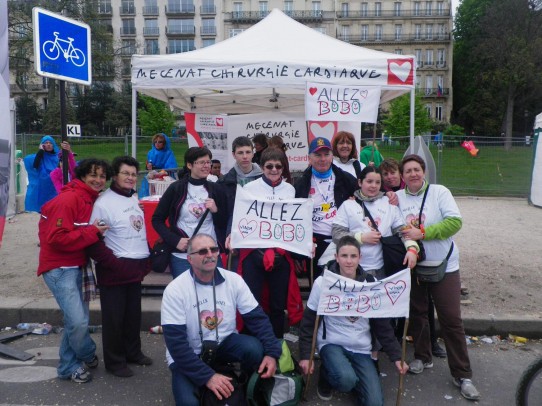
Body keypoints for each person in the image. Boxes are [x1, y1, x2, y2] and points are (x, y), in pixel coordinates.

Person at [161, 233, 282, 406]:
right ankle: (209, 381)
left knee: (254, 348)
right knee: (188, 403)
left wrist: (272, 353)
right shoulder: (175, 290)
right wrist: (208, 377)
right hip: (189, 353)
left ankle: (246, 389)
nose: (210, 254)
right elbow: (176, 346)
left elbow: (257, 319)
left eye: (214, 249)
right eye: (202, 251)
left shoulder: (234, 280)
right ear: (189, 259)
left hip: (223, 344)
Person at [397, 154, 481, 401]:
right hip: (414, 265)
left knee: (451, 319)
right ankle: (423, 357)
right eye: (408, 171)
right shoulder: (398, 199)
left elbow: (455, 223)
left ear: (424, 172)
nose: (413, 174)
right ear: (402, 177)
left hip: (445, 265)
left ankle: (462, 374)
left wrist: (422, 233)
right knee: (418, 314)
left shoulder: (439, 192)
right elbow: (395, 226)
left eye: (417, 169)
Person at [298, 236, 409, 403]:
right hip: (332, 343)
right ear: (336, 257)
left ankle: (358, 382)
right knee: (345, 380)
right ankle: (327, 375)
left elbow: (382, 326)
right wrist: (306, 355)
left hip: (361, 348)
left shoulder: (370, 284)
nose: (348, 261)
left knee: (375, 402)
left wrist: (396, 356)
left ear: (360, 258)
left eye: (353, 256)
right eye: (344, 256)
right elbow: (309, 322)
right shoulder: (323, 283)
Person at [37, 158, 112, 383]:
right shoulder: (69, 199)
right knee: (78, 322)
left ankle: (70, 364)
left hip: (78, 265)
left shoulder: (91, 198)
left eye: (102, 176)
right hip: (59, 268)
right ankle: (84, 355)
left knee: (75, 320)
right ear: (82, 176)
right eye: (93, 175)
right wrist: (92, 232)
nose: (98, 180)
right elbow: (56, 238)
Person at [87, 156, 152, 378]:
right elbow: (94, 241)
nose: (131, 178)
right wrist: (113, 263)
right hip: (115, 267)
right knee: (114, 318)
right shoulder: (103, 203)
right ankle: (115, 362)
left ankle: (133, 352)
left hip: (135, 266)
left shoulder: (133, 197)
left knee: (133, 315)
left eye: (134, 174)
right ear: (115, 176)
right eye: (126, 173)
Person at [380, 157, 446, 358]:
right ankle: (397, 335)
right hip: (397, 253)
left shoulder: (406, 193)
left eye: (393, 172)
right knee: (400, 296)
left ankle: (432, 341)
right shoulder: (387, 196)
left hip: (421, 252)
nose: (390, 177)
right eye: (386, 174)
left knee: (424, 300)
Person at [235, 148, 303, 337]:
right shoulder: (249, 189)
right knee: (251, 301)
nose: (274, 170)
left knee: (277, 305)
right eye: (269, 166)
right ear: (262, 167)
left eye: (278, 166)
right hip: (254, 253)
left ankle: (276, 345)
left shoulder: (290, 189)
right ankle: (251, 346)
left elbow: (293, 220)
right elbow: (241, 218)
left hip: (280, 253)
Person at [330, 165, 419, 281]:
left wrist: (412, 249)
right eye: (369, 181)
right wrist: (360, 237)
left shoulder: (389, 203)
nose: (373, 186)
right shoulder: (348, 205)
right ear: (360, 182)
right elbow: (336, 234)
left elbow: (403, 230)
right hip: (353, 270)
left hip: (384, 269)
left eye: (378, 182)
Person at [152, 147, 228, 279]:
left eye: (208, 162)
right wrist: (175, 240)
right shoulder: (176, 188)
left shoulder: (216, 189)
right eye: (201, 162)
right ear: (189, 165)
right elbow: (157, 219)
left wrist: (216, 211)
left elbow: (223, 223)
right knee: (187, 296)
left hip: (211, 252)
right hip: (183, 255)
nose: (206, 166)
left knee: (214, 293)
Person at [294, 137, 358, 280]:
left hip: (344, 240)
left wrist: (389, 194)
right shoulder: (301, 184)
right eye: (317, 155)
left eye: (326, 154)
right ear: (309, 158)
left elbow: (367, 195)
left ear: (332, 156)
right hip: (317, 243)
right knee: (321, 285)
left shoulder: (346, 179)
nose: (322, 159)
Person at [23, 136, 72, 212]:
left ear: (53, 145)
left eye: (50, 143)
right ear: (42, 145)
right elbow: (35, 165)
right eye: (46, 143)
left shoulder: (58, 156)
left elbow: (70, 164)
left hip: (55, 186)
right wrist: (40, 151)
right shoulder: (40, 156)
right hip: (43, 186)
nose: (48, 144)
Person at [139, 133, 178, 198]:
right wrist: (148, 167)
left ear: (164, 143)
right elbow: (148, 165)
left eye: (160, 142)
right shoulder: (151, 152)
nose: (157, 143)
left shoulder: (169, 152)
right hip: (152, 177)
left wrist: (161, 173)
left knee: (163, 195)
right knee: (150, 194)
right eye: (155, 142)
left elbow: (171, 166)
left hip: (165, 177)